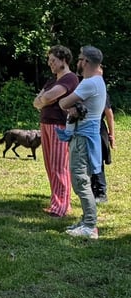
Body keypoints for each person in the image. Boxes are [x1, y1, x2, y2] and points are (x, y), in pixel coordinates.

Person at [57, 46, 107, 240]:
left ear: (85, 61)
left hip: (82, 139)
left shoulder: (89, 83)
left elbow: (63, 103)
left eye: (79, 59)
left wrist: (71, 106)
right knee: (82, 180)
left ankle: (89, 225)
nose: (77, 62)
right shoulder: (97, 81)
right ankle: (86, 219)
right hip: (86, 136)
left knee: (80, 181)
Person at [33, 45, 80, 217]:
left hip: (60, 125)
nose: (50, 63)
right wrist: (44, 100)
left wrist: (44, 99)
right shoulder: (52, 80)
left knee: (59, 166)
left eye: (53, 60)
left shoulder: (69, 79)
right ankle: (56, 202)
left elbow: (45, 97)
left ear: (64, 60)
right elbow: (36, 102)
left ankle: (62, 206)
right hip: (45, 123)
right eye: (49, 60)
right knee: (50, 165)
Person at [91, 91, 115, 204]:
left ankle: (101, 192)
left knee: (97, 161)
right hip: (85, 128)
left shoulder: (100, 91)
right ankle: (91, 190)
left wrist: (112, 135)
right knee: (88, 161)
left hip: (97, 128)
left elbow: (109, 113)